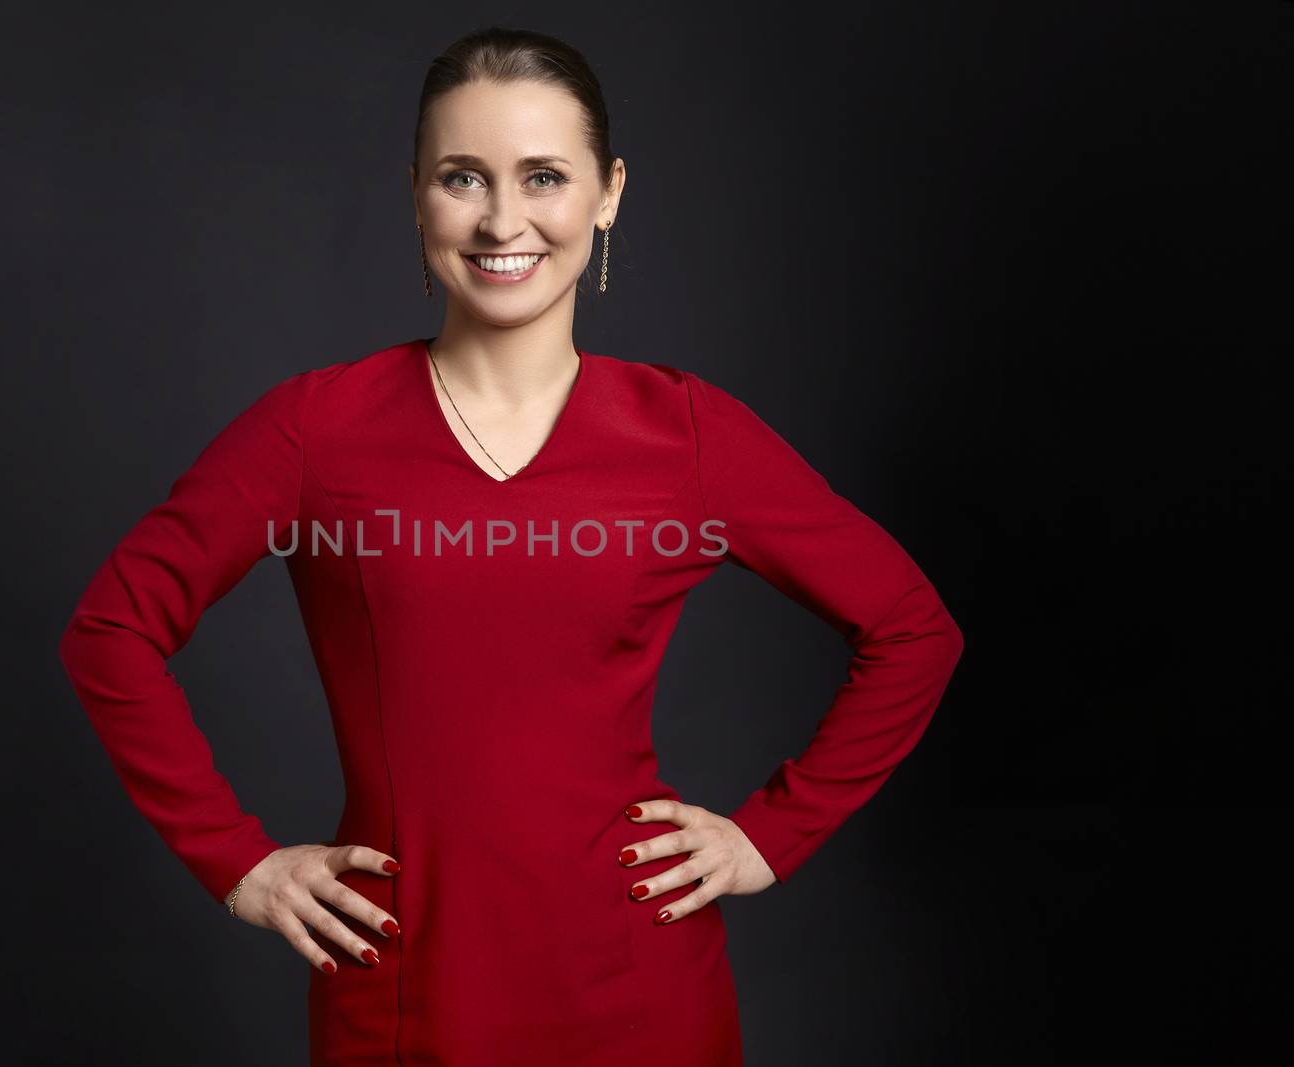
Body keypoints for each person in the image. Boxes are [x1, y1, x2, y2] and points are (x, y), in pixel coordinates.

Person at [57, 24, 964, 1066]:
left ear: (607, 192)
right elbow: (112, 629)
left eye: (543, 175)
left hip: (641, 989)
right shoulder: (316, 428)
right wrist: (236, 859)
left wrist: (769, 833)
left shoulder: (687, 432)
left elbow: (910, 628)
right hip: (402, 989)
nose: (502, 219)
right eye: (462, 177)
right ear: (416, 193)